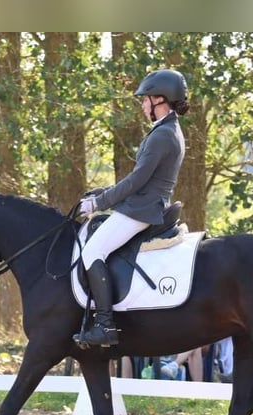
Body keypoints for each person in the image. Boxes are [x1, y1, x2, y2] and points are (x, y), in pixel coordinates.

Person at [74, 69, 190, 347]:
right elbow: (141, 177)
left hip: (141, 210)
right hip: (143, 203)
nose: (142, 105)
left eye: (145, 99)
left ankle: (105, 325)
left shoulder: (163, 135)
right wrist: (104, 192)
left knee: (92, 251)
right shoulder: (167, 130)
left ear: (160, 99)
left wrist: (98, 203)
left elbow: (138, 180)